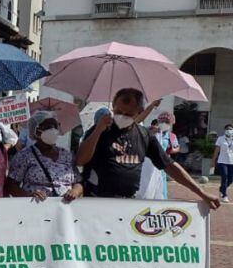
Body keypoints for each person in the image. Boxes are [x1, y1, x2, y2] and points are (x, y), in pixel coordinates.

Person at [76, 88, 220, 208]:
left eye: (128, 114)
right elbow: (80, 160)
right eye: (118, 112)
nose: (122, 117)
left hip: (128, 203)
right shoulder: (100, 130)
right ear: (113, 106)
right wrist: (98, 130)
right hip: (98, 201)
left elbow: (169, 166)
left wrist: (201, 193)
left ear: (139, 112)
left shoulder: (144, 135)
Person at [7, 111, 83, 202]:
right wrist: (28, 195)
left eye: (55, 126)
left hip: (65, 207)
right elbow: (10, 186)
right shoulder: (24, 156)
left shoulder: (66, 154)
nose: (53, 130)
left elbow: (78, 182)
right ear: (36, 131)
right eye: (48, 127)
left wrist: (75, 191)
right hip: (36, 207)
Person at [213, 124, 233, 203]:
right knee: (224, 176)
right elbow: (217, 150)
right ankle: (224, 195)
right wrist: (213, 160)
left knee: (231, 179)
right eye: (227, 129)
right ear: (225, 130)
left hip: (231, 162)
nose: (229, 130)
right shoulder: (220, 139)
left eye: (230, 129)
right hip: (222, 161)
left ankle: (222, 189)